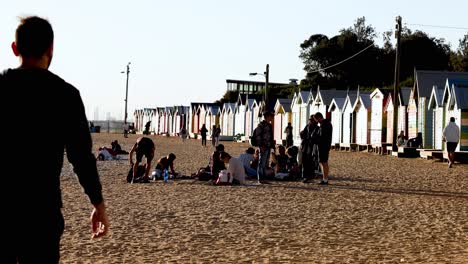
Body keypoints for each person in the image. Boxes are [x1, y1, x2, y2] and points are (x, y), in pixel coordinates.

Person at [1, 16, 108, 263]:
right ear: (51, 48)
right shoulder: (66, 95)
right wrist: (97, 203)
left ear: (15, 48)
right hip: (42, 213)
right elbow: (81, 158)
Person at [255, 111, 275, 183]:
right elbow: (258, 136)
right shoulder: (261, 125)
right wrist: (261, 145)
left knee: (265, 163)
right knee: (261, 163)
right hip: (263, 146)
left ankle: (263, 178)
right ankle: (260, 178)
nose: (271, 117)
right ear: (267, 116)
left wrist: (272, 145)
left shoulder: (269, 125)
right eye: (270, 116)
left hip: (268, 146)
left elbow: (270, 136)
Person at [314, 112, 333, 185]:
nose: (316, 121)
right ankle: (324, 178)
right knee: (321, 162)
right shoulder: (324, 124)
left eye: (316, 119)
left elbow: (323, 136)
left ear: (319, 117)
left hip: (324, 146)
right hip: (323, 145)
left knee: (324, 162)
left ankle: (325, 179)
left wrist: (316, 138)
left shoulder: (325, 124)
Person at [301, 115, 320, 183]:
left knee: (310, 161)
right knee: (304, 160)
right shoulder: (307, 126)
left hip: (312, 146)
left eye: (312, 120)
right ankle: (304, 176)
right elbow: (303, 135)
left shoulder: (317, 128)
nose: (310, 121)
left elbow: (317, 139)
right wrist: (302, 134)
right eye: (310, 120)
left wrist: (313, 139)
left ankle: (309, 176)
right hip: (305, 145)